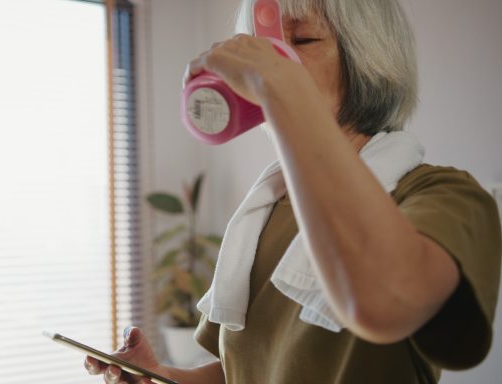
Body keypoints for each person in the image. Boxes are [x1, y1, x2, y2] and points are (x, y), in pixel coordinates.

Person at [84, 0, 501, 383]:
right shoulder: (267, 208)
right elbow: (244, 372)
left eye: (302, 40)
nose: (276, 64)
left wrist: (285, 91)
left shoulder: (446, 196)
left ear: (371, 57)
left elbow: (383, 303)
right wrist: (159, 377)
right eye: (263, 50)